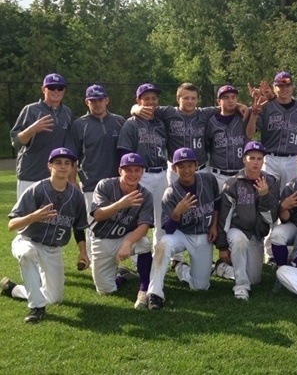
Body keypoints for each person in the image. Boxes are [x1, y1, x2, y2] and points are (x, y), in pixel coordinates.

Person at [1, 148, 89, 323]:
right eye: (58, 162)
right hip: (27, 241)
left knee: (54, 298)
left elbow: (79, 228)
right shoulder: (37, 190)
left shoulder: (76, 196)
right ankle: (36, 308)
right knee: (27, 255)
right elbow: (12, 225)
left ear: (72, 168)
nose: (63, 167)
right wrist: (33, 217)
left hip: (53, 249)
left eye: (67, 163)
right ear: (50, 165)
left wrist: (83, 252)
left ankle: (11, 288)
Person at [147, 148, 221, 310]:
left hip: (202, 235)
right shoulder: (170, 193)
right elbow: (169, 230)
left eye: (189, 165)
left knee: (200, 286)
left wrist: (214, 225)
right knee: (163, 244)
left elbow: (217, 203)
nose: (186, 170)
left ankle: (181, 268)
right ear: (174, 169)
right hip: (180, 234)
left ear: (196, 165)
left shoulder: (208, 180)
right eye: (181, 166)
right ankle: (155, 293)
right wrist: (176, 213)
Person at [66, 84, 126, 259]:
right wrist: (72, 182)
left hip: (118, 183)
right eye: (93, 101)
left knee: (121, 222)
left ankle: (122, 261)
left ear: (107, 100)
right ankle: (95, 263)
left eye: (100, 100)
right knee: (94, 225)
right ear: (87, 102)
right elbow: (72, 157)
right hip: (91, 183)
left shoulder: (119, 121)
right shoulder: (79, 125)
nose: (97, 104)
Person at [216, 141, 280, 300]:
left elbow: (271, 218)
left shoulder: (272, 182)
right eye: (252, 158)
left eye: (259, 158)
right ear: (244, 159)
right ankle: (241, 288)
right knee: (239, 241)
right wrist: (223, 246)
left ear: (263, 160)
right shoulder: (233, 183)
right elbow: (225, 217)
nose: (256, 162)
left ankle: (223, 269)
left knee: (255, 279)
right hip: (236, 230)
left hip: (256, 234)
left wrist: (265, 196)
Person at [89, 153, 154, 309]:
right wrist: (119, 204)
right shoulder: (105, 185)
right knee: (106, 290)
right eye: (128, 170)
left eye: (137, 170)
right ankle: (122, 276)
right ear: (120, 171)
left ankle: (144, 289)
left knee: (144, 243)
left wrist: (128, 242)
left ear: (142, 172)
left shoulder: (145, 195)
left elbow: (144, 226)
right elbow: (98, 215)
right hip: (101, 239)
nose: (133, 174)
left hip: (124, 237)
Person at [117, 83, 168, 250]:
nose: (151, 102)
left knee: (161, 215)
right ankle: (136, 253)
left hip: (161, 172)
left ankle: (160, 253)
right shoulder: (131, 124)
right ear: (138, 101)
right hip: (141, 174)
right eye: (146, 99)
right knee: (136, 215)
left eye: (153, 98)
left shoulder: (162, 123)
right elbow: (123, 152)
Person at [10, 73, 74, 197]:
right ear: (43, 89)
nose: (56, 91)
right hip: (31, 174)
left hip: (57, 177)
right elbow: (16, 142)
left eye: (60, 88)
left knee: (54, 215)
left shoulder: (67, 112)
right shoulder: (31, 110)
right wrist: (32, 129)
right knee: (26, 215)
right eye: (52, 87)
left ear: (64, 90)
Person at [256, 71, 297, 189]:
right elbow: (254, 128)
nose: (284, 89)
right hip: (270, 157)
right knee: (267, 194)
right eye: (280, 86)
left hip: (292, 158)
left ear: (292, 87)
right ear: (274, 88)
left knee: (288, 194)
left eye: (287, 85)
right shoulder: (267, 105)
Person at [206, 85, 257, 188]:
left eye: (233, 97)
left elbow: (250, 135)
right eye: (226, 97)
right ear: (218, 101)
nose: (231, 100)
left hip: (241, 173)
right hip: (218, 175)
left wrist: (253, 114)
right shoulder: (211, 121)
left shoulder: (244, 116)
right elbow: (207, 145)